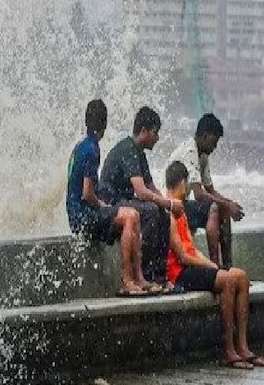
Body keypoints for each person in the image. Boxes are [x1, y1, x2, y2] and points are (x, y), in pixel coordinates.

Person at [166, 161, 263, 369]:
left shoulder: (181, 212)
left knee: (241, 277)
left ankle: (243, 347)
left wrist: (209, 263)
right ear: (182, 183)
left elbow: (192, 248)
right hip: (181, 274)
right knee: (227, 280)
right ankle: (229, 350)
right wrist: (209, 264)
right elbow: (182, 256)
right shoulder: (170, 212)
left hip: (193, 267)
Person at [66, 100, 150, 297]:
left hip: (75, 215)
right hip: (81, 218)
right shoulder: (92, 149)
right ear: (104, 124)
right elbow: (87, 193)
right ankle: (126, 281)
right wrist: (102, 205)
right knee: (130, 217)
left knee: (133, 214)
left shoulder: (81, 145)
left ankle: (139, 279)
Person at [98, 106, 181, 293]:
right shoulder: (127, 149)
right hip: (112, 205)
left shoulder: (140, 154)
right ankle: (146, 274)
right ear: (143, 131)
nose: (157, 138)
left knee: (162, 212)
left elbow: (151, 188)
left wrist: (169, 204)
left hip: (126, 201)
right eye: (155, 133)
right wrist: (168, 203)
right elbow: (142, 192)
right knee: (152, 211)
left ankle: (159, 277)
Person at [169, 113, 244, 268]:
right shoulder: (190, 151)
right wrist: (225, 205)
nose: (215, 147)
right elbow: (199, 194)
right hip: (172, 206)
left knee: (222, 208)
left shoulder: (202, 155)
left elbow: (210, 190)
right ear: (204, 136)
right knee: (215, 208)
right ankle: (214, 267)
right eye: (214, 142)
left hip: (184, 204)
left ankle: (227, 267)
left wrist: (229, 203)